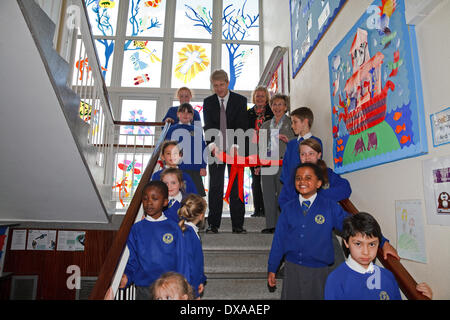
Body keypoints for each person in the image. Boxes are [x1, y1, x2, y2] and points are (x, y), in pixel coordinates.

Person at [267, 163, 399, 300]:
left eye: (308, 178)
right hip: (292, 269)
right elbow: (279, 241)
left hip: (319, 271)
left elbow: (356, 225)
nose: (302, 182)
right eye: (298, 178)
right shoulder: (288, 208)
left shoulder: (329, 206)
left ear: (318, 183)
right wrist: (272, 268)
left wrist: (383, 242)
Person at [325, 212, 433, 300]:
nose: (366, 252)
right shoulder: (336, 280)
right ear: (346, 243)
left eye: (372, 244)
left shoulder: (388, 276)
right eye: (358, 244)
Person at [119, 181, 189, 300]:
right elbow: (132, 260)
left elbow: (182, 259)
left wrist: (183, 285)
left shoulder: (173, 227)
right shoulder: (136, 229)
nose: (149, 202)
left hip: (169, 289)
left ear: (165, 202)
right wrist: (127, 276)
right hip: (144, 288)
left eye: (155, 198)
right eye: (145, 199)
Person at [203, 69, 248, 234]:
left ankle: (238, 225)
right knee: (215, 186)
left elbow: (242, 125)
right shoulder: (208, 102)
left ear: (227, 83)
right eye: (215, 86)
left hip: (236, 149)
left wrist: (236, 146)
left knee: (237, 186)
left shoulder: (240, 100)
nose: (219, 89)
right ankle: (213, 224)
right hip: (215, 149)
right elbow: (208, 126)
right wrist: (213, 146)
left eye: (221, 85)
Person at [278, 138, 352, 209]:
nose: (307, 157)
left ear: (319, 155)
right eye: (303, 154)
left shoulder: (327, 172)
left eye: (311, 153)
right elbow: (283, 201)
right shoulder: (293, 176)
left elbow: (345, 188)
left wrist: (316, 196)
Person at [258, 93, 295, 233]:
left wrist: (288, 141)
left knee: (282, 195)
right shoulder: (265, 125)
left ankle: (282, 225)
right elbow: (260, 147)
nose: (277, 107)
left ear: (286, 107)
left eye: (280, 104)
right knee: (267, 195)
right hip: (267, 164)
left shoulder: (291, 123)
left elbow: (297, 143)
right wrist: (259, 164)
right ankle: (270, 225)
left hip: (283, 163)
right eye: (274, 104)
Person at [166, 103, 207, 197]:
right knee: (178, 196)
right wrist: (169, 164)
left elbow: (202, 148)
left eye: (189, 112)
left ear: (192, 116)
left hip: (194, 168)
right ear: (177, 114)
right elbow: (167, 149)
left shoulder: (197, 130)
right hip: (178, 168)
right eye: (182, 112)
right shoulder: (171, 129)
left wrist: (203, 166)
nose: (185, 114)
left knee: (196, 197)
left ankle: (195, 212)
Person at [279, 107, 323, 188]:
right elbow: (285, 167)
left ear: (305, 122)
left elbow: (316, 167)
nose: (292, 126)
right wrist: (288, 185)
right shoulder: (291, 144)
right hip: (290, 189)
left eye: (295, 122)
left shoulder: (316, 141)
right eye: (292, 122)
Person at [247, 86, 274, 217]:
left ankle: (268, 209)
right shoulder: (248, 113)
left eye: (262, 96)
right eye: (257, 96)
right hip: (253, 150)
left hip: (268, 149)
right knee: (256, 180)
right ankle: (258, 210)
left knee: (268, 179)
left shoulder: (272, 112)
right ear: (254, 98)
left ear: (267, 98)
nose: (259, 98)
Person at [178, 194, 208, 298]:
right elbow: (190, 265)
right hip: (188, 287)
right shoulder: (188, 234)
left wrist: (201, 280)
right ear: (201, 215)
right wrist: (194, 289)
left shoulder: (189, 231)